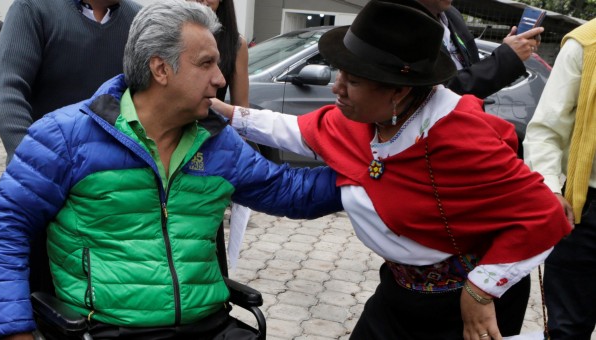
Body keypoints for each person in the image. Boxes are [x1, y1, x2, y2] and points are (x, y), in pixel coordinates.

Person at [0, 1, 343, 339]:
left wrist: (374, 172)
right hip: (105, 329)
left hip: (209, 327)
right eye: (205, 64)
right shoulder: (65, 137)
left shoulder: (218, 142)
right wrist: (15, 332)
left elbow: (292, 191)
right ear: (160, 69)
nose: (220, 79)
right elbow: (5, 226)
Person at [211, 1, 571, 338]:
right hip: (400, 293)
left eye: (351, 82)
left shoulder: (460, 134)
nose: (336, 89)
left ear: (398, 92)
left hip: (466, 305)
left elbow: (546, 216)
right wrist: (219, 110)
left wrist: (481, 290)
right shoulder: (364, 119)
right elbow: (295, 130)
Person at [0, 0, 141, 163]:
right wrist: (32, 161)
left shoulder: (139, 20)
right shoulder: (32, 9)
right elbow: (9, 92)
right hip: (46, 165)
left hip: (117, 173)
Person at [523, 18, 596, 340]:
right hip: (585, 211)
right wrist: (551, 190)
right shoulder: (585, 44)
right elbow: (545, 131)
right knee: (567, 330)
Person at [190, 0, 251, 269]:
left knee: (204, 233)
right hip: (164, 142)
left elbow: (241, 112)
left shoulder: (235, 44)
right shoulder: (166, 30)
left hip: (208, 148)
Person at [413, 0, 543, 99]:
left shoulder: (451, 15)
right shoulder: (403, 25)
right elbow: (444, 91)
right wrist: (507, 56)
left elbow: (472, 69)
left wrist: (508, 49)